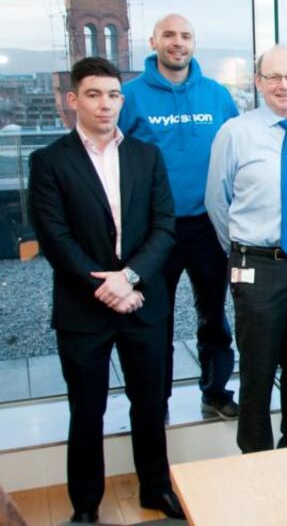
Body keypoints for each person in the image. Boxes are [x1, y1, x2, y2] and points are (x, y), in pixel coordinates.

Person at [29, 57, 183, 522]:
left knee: (151, 403)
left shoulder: (146, 156)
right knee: (87, 410)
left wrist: (130, 279)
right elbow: (55, 239)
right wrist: (109, 287)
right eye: (94, 94)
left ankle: (155, 489)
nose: (106, 104)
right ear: (72, 100)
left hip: (143, 303)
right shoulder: (50, 161)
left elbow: (164, 227)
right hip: (84, 309)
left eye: (114, 94)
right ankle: (86, 507)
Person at [205, 45, 287, 453]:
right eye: (274, 77)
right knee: (257, 372)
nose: (284, 85)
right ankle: (256, 461)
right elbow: (216, 201)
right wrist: (245, 250)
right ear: (259, 82)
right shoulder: (235, 133)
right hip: (257, 267)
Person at [119, 13, 240, 419]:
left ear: (194, 43)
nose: (177, 42)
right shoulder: (130, 96)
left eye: (185, 35)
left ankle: (216, 391)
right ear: (153, 41)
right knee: (156, 320)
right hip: (155, 230)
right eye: (168, 35)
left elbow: (237, 156)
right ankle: (159, 401)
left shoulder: (217, 95)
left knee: (213, 316)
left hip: (207, 225)